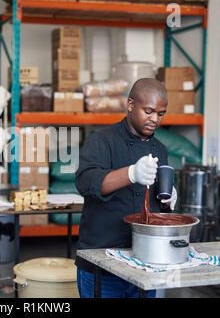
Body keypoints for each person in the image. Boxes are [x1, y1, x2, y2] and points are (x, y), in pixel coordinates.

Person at [74, 78, 177, 298]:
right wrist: (131, 173)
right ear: (131, 105)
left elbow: (155, 205)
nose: (154, 119)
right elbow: (85, 182)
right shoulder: (102, 140)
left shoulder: (160, 149)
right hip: (102, 260)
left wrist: (167, 200)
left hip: (144, 262)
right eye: (148, 111)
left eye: (160, 114)